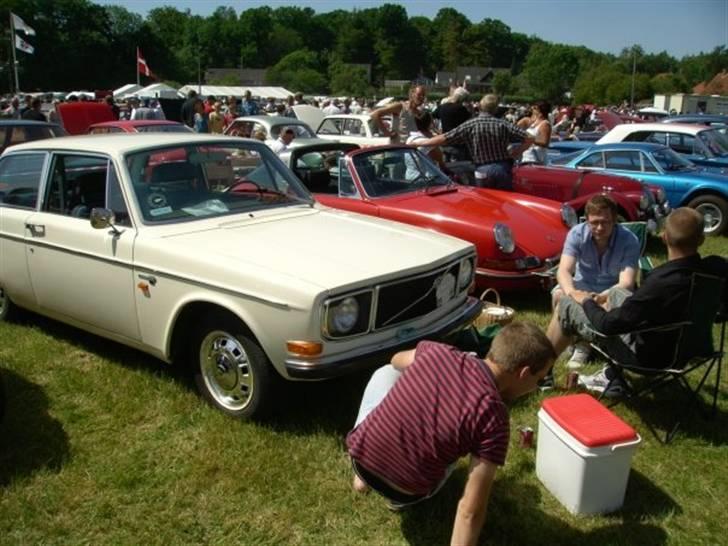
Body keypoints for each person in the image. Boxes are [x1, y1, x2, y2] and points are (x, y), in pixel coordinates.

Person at [347, 322, 556, 545]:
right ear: (523, 373)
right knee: (457, 451)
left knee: (387, 373)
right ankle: (397, 501)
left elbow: (396, 359)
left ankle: (363, 477)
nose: (537, 386)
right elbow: (470, 510)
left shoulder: (438, 351)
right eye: (539, 379)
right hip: (405, 492)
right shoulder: (494, 416)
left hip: (359, 461)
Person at [547, 207, 728, 396]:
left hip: (648, 359)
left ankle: (543, 373)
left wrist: (586, 301)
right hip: (694, 348)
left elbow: (607, 325)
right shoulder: (717, 268)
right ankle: (612, 376)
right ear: (701, 240)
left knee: (565, 304)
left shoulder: (661, 283)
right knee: (618, 292)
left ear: (664, 237)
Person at [542, 195, 640, 385]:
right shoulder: (577, 234)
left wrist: (601, 297)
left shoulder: (629, 240)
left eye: (606, 222)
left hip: (612, 289)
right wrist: (573, 293)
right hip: (582, 285)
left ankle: (583, 347)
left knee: (617, 301)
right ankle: (565, 348)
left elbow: (627, 282)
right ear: (586, 220)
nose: (600, 228)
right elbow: (564, 270)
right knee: (560, 295)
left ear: (615, 221)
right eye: (595, 223)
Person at [412, 94, 542, 190]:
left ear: (480, 107)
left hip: (482, 169)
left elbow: (445, 137)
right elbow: (530, 138)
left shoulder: (471, 124)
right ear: (495, 109)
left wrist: (420, 143)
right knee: (503, 202)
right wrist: (517, 151)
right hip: (502, 169)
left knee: (484, 201)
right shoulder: (503, 124)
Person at [405, 111, 445, 177]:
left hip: (410, 176)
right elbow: (440, 161)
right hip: (427, 179)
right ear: (430, 123)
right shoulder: (426, 143)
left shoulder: (410, 138)